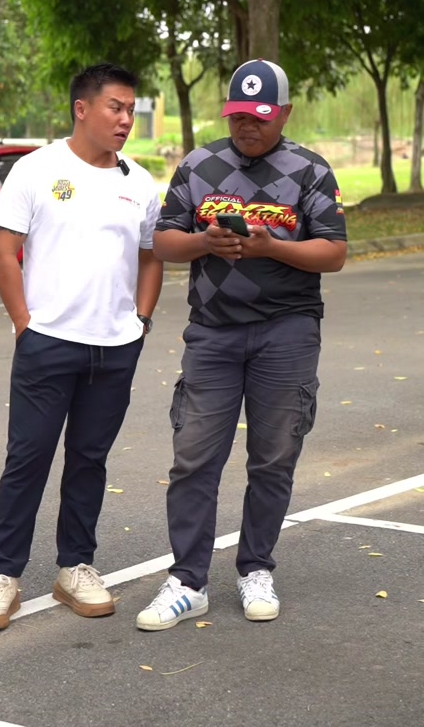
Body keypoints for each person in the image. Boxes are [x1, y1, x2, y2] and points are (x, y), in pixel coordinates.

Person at [136, 58, 347, 631]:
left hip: (287, 331)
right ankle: (188, 581)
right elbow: (163, 242)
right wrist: (205, 242)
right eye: (237, 117)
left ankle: (256, 568)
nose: (247, 127)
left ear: (284, 113)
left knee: (274, 457)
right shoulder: (199, 165)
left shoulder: (310, 170)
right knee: (194, 457)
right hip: (213, 332)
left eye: (259, 117)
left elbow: (333, 252)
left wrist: (271, 248)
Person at [0, 63, 163, 630]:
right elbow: (4, 251)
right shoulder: (37, 169)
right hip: (47, 343)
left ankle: (75, 567)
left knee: (89, 460)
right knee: (27, 459)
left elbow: (151, 255)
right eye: (115, 108)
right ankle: (3, 575)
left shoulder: (139, 182)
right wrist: (23, 324)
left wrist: (141, 320)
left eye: (130, 110)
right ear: (82, 109)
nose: (126, 120)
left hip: (115, 348)